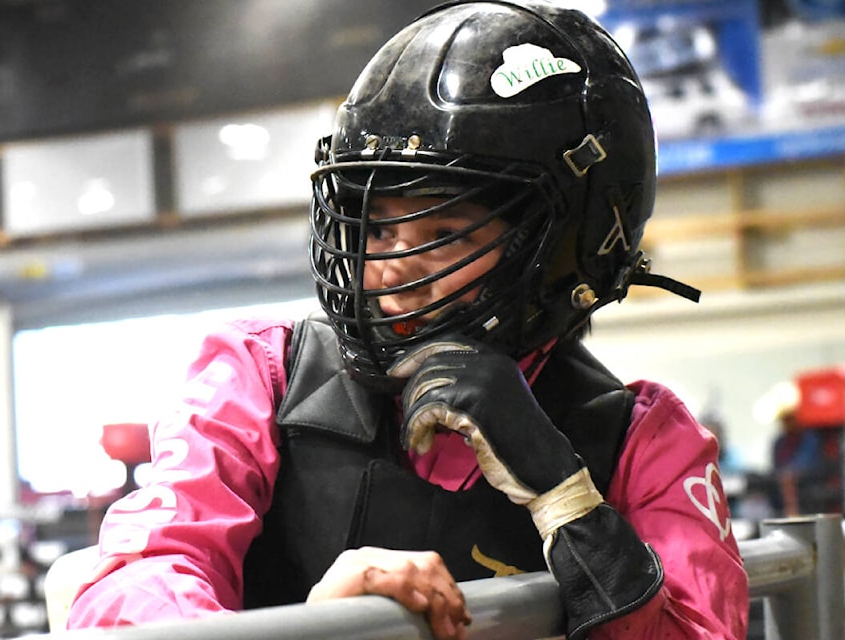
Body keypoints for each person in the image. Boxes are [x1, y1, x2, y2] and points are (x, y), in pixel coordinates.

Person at [66, 2, 749, 638]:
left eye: (439, 229)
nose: (387, 269)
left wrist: (565, 497)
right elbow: (135, 586)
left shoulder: (644, 441)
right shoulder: (258, 377)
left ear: (569, 243)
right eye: (375, 227)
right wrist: (317, 631)